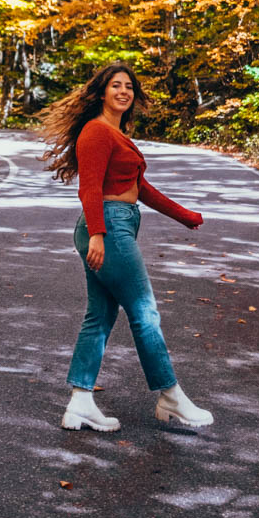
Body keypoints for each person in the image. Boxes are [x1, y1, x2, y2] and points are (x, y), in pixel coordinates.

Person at [39, 62, 214, 432]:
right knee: (145, 312)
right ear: (101, 92)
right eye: (115, 85)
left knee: (100, 316)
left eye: (129, 86)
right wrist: (99, 235)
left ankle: (81, 402)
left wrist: (184, 215)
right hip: (108, 226)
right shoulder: (97, 132)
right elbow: (89, 187)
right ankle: (170, 396)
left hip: (116, 223)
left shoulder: (116, 134)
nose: (123, 91)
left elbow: (141, 188)